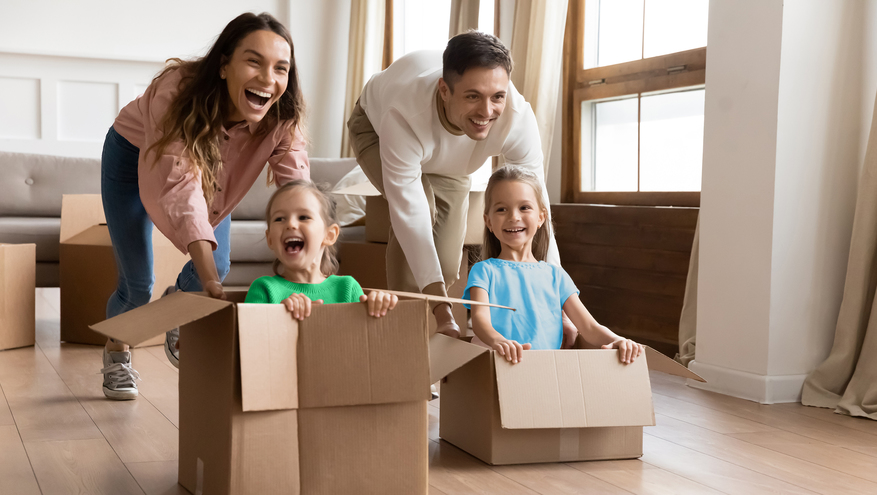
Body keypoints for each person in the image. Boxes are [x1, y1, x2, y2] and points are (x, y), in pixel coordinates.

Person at [100, 12, 309, 400]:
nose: (268, 79)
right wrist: (209, 284)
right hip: (132, 158)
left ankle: (176, 304)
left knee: (220, 263)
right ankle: (117, 353)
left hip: (211, 170)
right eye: (254, 61)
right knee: (137, 284)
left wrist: (317, 258)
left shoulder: (282, 117)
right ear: (225, 64)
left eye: (281, 68)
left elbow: (297, 188)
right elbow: (181, 189)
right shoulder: (177, 93)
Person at [347, 30, 577, 340]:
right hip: (375, 129)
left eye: (497, 96)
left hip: (452, 162)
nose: (486, 111)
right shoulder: (403, 113)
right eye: (472, 96)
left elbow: (537, 211)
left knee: (444, 261)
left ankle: (437, 341)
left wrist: (560, 304)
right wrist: (443, 312)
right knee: (422, 210)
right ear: (444, 90)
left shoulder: (517, 117)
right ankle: (401, 343)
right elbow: (411, 216)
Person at [464, 166, 644, 365]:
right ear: (488, 221)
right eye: (501, 209)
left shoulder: (556, 276)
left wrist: (617, 339)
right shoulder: (484, 271)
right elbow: (480, 320)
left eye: (524, 207)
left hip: (546, 372)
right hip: (498, 366)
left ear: (541, 217)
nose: (513, 216)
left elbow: (589, 327)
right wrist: (498, 340)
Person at [245, 180, 398, 318]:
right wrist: (280, 315)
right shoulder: (264, 289)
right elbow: (248, 340)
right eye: (279, 219)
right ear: (270, 239)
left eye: (304, 217)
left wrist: (380, 306)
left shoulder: (346, 288)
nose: (290, 224)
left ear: (330, 235)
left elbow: (364, 340)